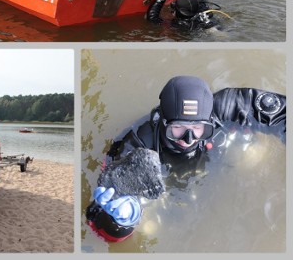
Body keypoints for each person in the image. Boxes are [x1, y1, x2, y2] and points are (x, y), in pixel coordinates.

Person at [86, 75, 286, 242]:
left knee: (252, 154)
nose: (188, 139)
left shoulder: (225, 106)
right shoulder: (136, 144)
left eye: (198, 128)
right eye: (178, 128)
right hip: (164, 183)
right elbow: (97, 218)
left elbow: (283, 113)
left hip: (215, 160)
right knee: (149, 228)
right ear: (162, 121)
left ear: (209, 121)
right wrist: (120, 223)